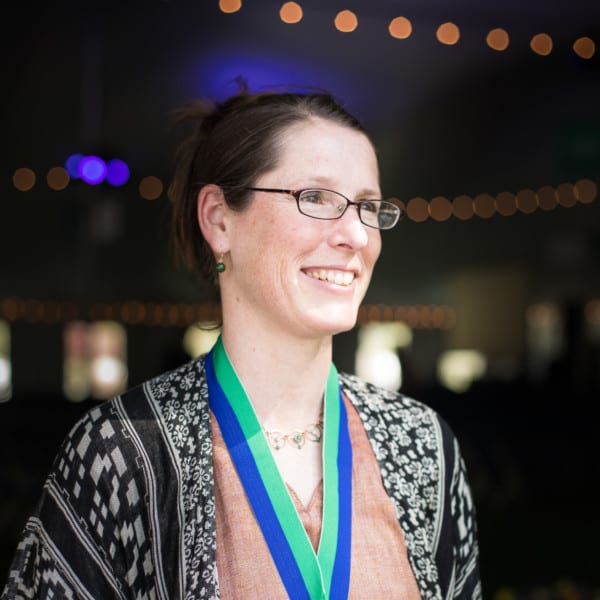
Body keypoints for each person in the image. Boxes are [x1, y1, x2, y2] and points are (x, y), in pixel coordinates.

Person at [2, 87, 482, 599]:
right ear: (218, 219)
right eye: (315, 198)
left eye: (367, 206)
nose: (357, 235)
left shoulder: (421, 444)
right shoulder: (123, 451)